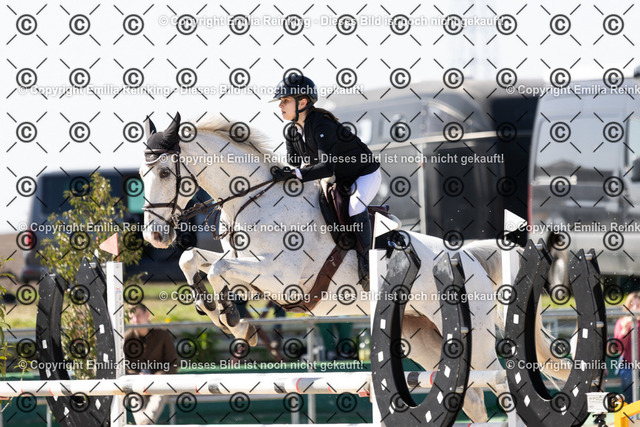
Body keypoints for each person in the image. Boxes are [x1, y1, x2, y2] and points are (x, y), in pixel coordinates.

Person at [270, 74, 381, 288]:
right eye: (280, 101)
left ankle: (367, 264)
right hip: (337, 179)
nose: (280, 105)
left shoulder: (322, 125)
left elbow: (326, 167)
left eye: (285, 100)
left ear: (302, 102)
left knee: (355, 206)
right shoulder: (292, 130)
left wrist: (294, 174)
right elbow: (295, 164)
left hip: (364, 174)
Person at [124, 305, 179, 424]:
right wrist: (137, 375)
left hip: (159, 383)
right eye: (131, 318)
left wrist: (158, 376)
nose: (135, 320)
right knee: (134, 394)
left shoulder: (162, 334)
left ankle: (144, 423)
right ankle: (145, 423)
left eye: (138, 315)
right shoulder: (127, 338)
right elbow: (123, 367)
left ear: (147, 314)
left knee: (160, 394)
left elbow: (173, 363)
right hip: (137, 384)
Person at [614, 291, 640, 403]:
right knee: (628, 376)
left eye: (638, 305)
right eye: (631, 305)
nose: (634, 308)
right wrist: (625, 330)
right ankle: (631, 407)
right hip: (628, 364)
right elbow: (619, 347)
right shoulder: (621, 322)